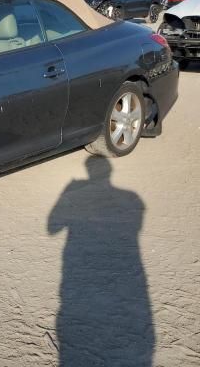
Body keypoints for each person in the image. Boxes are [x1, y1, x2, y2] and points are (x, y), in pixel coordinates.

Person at [48, 157, 154, 366]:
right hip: (128, 276)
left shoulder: (76, 188)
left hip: (78, 273)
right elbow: (136, 228)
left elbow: (52, 228)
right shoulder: (133, 198)